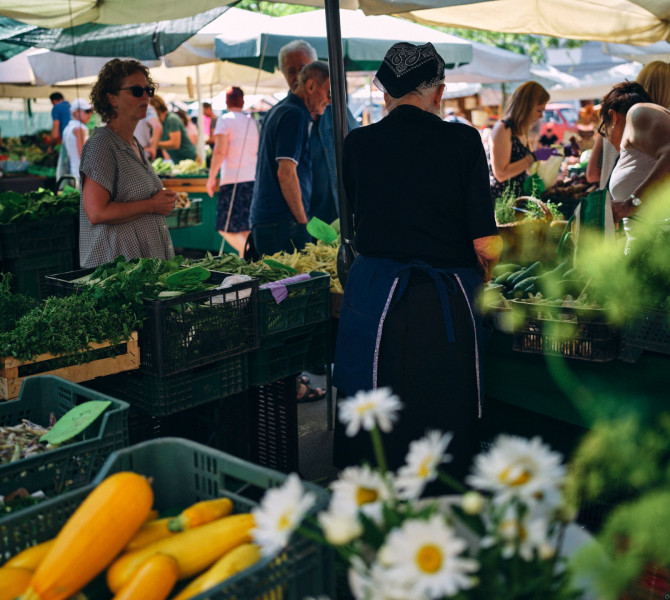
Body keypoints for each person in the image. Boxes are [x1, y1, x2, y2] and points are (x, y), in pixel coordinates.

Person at [332, 42, 502, 482]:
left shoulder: (357, 143)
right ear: (438, 92)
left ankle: (373, 501)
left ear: (384, 92)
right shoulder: (463, 140)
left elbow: (354, 220)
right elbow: (485, 243)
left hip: (374, 301)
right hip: (442, 306)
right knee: (438, 418)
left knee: (377, 418)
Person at [79, 59, 178, 269]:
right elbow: (97, 212)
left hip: (141, 270)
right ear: (112, 98)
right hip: (118, 273)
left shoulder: (134, 144)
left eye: (148, 90)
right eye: (136, 90)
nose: (145, 97)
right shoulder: (102, 145)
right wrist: (152, 205)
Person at [248, 61, 331, 256]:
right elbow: (286, 172)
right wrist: (303, 223)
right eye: (328, 93)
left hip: (272, 221)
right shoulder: (295, 114)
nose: (329, 100)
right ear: (310, 86)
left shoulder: (283, 110)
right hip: (280, 223)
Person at [276, 40, 358, 226]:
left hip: (342, 210)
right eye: (291, 70)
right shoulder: (285, 115)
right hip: (303, 216)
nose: (298, 76)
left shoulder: (337, 108)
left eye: (303, 68)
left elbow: (356, 150)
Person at [597, 81, 670, 224]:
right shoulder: (639, 141)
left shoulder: (637, 112)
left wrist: (631, 204)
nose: (608, 140)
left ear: (612, 117)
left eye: (604, 131)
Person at [206, 86, 259, 255]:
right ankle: (249, 257)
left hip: (232, 179)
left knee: (225, 227)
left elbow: (220, 151)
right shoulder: (251, 122)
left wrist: (211, 177)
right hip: (251, 179)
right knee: (245, 228)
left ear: (226, 102)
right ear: (242, 102)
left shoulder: (225, 120)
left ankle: (249, 254)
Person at [488, 81, 550, 200]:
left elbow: (524, 167)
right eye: (539, 110)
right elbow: (501, 174)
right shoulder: (503, 128)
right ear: (526, 107)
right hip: (501, 202)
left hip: (517, 200)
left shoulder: (521, 130)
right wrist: (534, 156)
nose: (541, 116)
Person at [150, 95, 197, 164]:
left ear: (155, 108)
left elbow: (175, 144)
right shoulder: (160, 122)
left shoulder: (171, 119)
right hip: (178, 160)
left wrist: (152, 144)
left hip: (189, 159)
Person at [57, 98, 93, 187]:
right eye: (87, 111)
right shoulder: (79, 129)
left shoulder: (68, 128)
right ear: (76, 112)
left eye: (91, 111)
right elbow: (83, 155)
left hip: (72, 173)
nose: (90, 114)